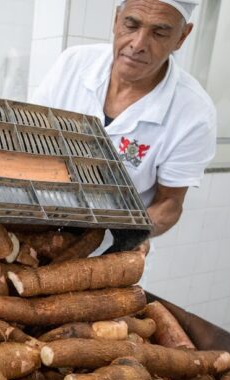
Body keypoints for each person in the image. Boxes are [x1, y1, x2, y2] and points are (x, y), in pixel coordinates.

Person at [32, 0, 216, 256]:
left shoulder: (193, 113)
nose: (138, 44)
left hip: (109, 251)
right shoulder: (73, 65)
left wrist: (134, 233)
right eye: (131, 25)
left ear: (182, 37)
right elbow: (30, 140)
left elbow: (170, 201)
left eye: (159, 32)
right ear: (116, 20)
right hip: (34, 236)